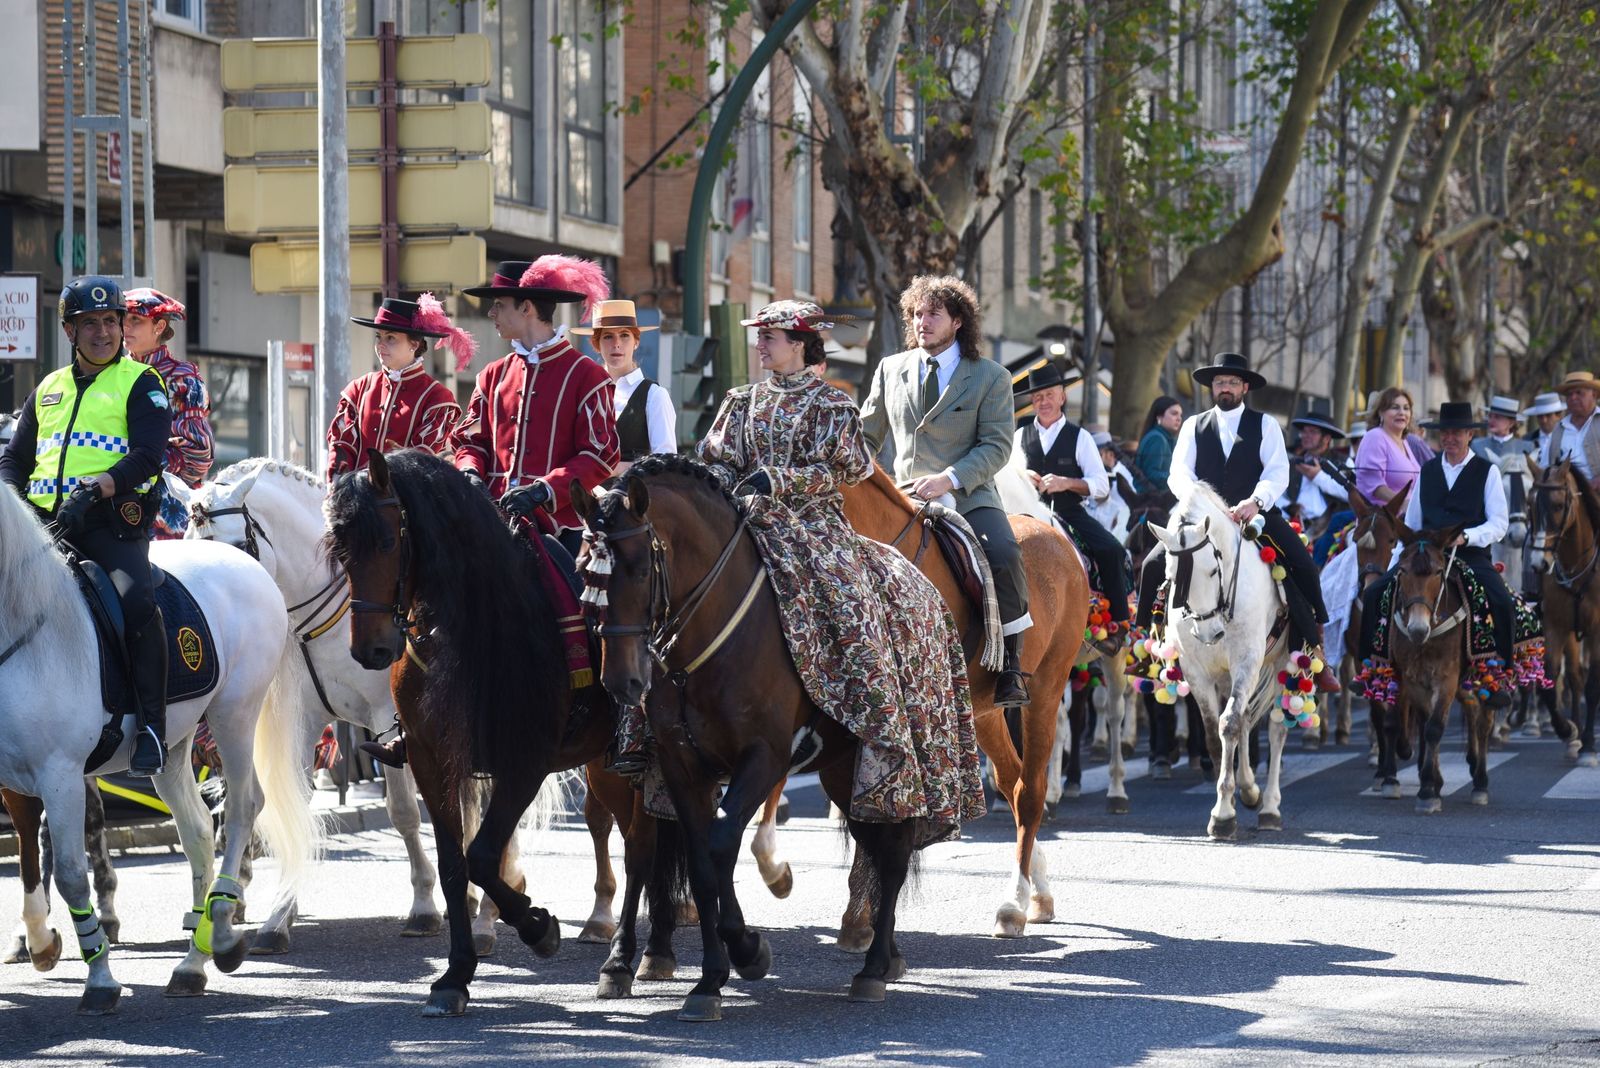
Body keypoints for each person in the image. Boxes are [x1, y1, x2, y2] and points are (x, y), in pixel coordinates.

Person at [678, 299, 984, 831]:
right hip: (745, 523)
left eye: (770, 337)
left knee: (855, 610)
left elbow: (843, 471)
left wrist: (782, 480)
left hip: (813, 530)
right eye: (761, 336)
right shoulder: (739, 401)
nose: (760, 344)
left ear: (799, 345)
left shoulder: (832, 406)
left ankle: (880, 735)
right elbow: (717, 459)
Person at [0, 277, 171, 775]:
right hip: (40, 525)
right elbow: (15, 458)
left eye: (111, 322)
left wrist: (95, 489)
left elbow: (147, 456)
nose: (103, 332)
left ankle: (153, 730)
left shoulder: (141, 383)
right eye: (90, 323)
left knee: (137, 600)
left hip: (108, 526)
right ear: (71, 331)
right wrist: (11, 503)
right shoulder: (47, 388)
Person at [859, 275, 1032, 707]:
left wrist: (948, 479)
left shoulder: (992, 377)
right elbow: (866, 437)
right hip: (902, 497)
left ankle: (1011, 665)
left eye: (933, 313)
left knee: (1006, 554)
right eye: (916, 314)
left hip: (969, 496)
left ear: (957, 321)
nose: (923, 321)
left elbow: (997, 445)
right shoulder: (890, 369)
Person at [1160, 352, 1340, 692]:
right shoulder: (1193, 426)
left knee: (1302, 565)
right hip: (1203, 520)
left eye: (1231, 382)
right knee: (1159, 563)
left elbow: (1276, 472)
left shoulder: (1266, 424)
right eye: (1219, 382)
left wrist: (1255, 502)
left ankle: (1313, 649)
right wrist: (1199, 502)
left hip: (1253, 514)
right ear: (1211, 387)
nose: (1224, 388)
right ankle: (1159, 647)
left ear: (1244, 387)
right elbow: (1178, 473)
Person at [451, 257, 620, 557]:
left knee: (569, 601)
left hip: (558, 528)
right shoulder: (492, 375)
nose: (491, 313)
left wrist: (544, 489)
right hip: (489, 521)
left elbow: (600, 454)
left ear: (526, 307)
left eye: (499, 305)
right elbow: (471, 442)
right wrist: (470, 473)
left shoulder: (587, 376)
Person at [1358, 401, 1515, 666]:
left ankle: (1503, 666)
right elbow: (1413, 521)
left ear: (1470, 435)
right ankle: (1369, 665)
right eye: (1445, 433)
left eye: (1456, 432)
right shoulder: (1427, 471)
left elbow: (1499, 524)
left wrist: (1467, 537)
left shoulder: (1488, 472)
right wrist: (1399, 559)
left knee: (1502, 600)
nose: (1449, 438)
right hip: (1425, 554)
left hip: (1471, 554)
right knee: (1374, 594)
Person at [1010, 364, 1129, 654]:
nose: (1044, 402)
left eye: (1049, 395)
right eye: (1037, 397)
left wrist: (1067, 482)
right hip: (1027, 513)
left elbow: (1100, 484)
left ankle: (1120, 624)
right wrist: (1023, 476)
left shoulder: (1080, 437)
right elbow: (1008, 474)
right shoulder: (1019, 435)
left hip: (1069, 513)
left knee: (1112, 549)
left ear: (1062, 397)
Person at [326, 295, 469, 484]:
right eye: (379, 337)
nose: (380, 345)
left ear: (414, 344)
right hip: (355, 495)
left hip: (406, 500)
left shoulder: (437, 397)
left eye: (390, 338)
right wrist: (338, 483)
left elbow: (420, 458)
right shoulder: (358, 388)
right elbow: (342, 445)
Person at [121, 287, 213, 538]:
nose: (125, 327)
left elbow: (199, 453)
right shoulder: (110, 374)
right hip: (112, 503)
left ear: (159, 326)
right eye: (123, 319)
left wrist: (136, 462)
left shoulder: (182, 378)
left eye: (135, 320)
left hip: (164, 512)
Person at [572, 298, 676, 475]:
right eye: (608, 336)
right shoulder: (584, 393)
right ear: (596, 344)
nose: (616, 344)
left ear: (636, 342)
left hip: (632, 499)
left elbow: (666, 463)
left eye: (624, 335)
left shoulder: (654, 395)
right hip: (583, 497)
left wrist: (614, 469)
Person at [1279, 399, 1349, 541]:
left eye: (1312, 432)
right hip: (1295, 528)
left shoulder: (1343, 462)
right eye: (1304, 431)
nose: (1305, 436)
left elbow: (1350, 493)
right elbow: (1276, 494)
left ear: (1327, 438)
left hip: (1331, 532)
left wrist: (1318, 476)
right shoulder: (1292, 463)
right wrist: (1289, 507)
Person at [1355, 386, 1422, 505]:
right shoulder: (1375, 437)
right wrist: (1403, 503)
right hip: (1384, 518)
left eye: (1406, 408)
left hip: (1408, 517)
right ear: (1381, 412)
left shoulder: (1404, 442)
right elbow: (1373, 484)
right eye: (1395, 408)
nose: (1402, 412)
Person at [1542, 371, 1600, 491]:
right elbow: (1545, 466)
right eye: (1569, 394)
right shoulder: (1559, 429)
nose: (1573, 398)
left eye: (1579, 393)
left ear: (1594, 395)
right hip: (1565, 494)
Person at [1134, 395, 1183, 495]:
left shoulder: (1164, 438)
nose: (1179, 418)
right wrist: (1179, 478)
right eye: (1174, 414)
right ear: (1159, 417)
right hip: (1151, 501)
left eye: (1180, 415)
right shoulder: (1157, 439)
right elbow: (1152, 474)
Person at [1523, 392, 1563, 462]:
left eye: (1548, 415)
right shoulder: (1527, 439)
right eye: (1540, 416)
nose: (1544, 420)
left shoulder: (1568, 437)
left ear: (1558, 416)